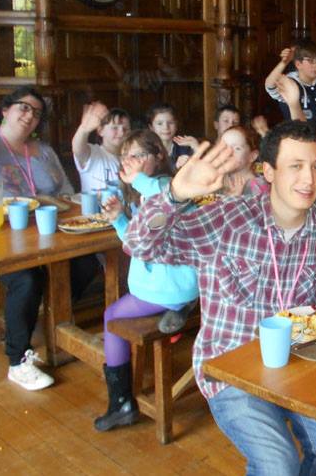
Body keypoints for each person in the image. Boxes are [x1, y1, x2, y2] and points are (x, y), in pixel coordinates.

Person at [123, 121, 316, 475]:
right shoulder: (228, 219)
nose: (309, 179)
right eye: (295, 166)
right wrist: (175, 194)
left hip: (300, 361)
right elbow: (139, 244)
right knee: (277, 465)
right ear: (268, 171)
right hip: (232, 368)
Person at [0, 82, 98, 391]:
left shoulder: (43, 151)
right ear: (5, 110)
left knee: (88, 262)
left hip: (47, 230)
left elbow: (66, 193)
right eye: (23, 108)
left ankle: (50, 315)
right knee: (27, 279)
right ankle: (18, 361)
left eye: (36, 113)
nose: (29, 116)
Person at [94, 129, 197, 431]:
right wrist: (119, 218)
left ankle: (122, 403)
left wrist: (136, 179)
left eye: (137, 155)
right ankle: (182, 307)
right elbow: (137, 243)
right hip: (171, 286)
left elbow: (164, 197)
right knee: (117, 311)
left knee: (111, 318)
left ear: (159, 156)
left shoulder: (167, 186)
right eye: (125, 157)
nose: (130, 162)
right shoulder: (145, 193)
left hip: (168, 287)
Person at [71, 101, 131, 192]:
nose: (122, 132)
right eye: (115, 128)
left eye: (126, 129)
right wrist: (84, 129)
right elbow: (77, 149)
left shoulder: (131, 159)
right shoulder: (93, 153)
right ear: (100, 131)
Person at [147, 103, 196, 169]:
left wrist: (196, 147)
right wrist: (175, 167)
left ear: (176, 125)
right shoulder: (147, 149)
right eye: (160, 123)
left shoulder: (185, 148)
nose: (166, 127)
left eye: (170, 122)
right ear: (151, 127)